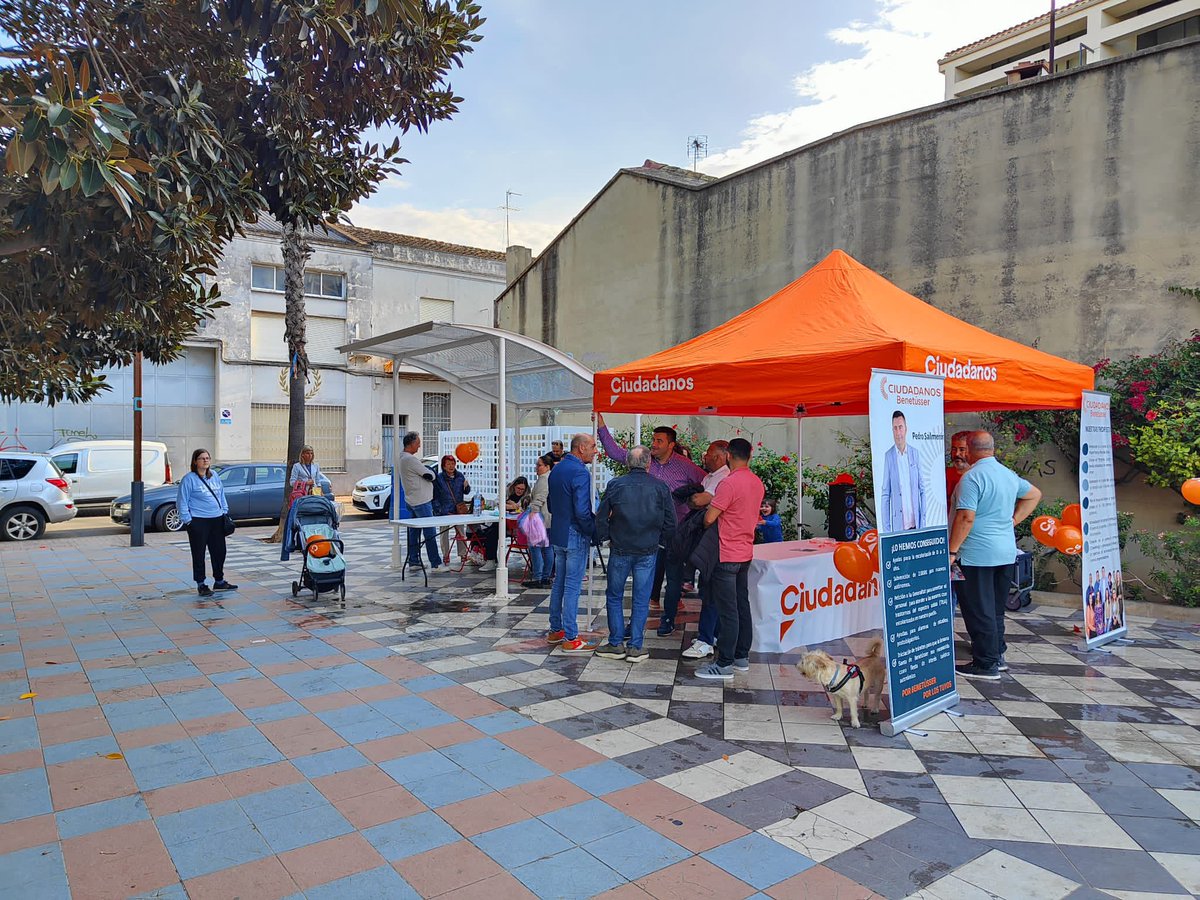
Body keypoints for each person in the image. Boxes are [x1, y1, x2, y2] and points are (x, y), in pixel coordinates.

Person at [597, 413, 707, 637]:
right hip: (644, 536)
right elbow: (614, 451)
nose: (654, 444)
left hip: (674, 532)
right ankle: (633, 629)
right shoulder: (644, 461)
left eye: (659, 441)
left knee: (673, 578)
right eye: (653, 440)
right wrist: (600, 423)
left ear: (671, 444)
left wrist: (693, 501)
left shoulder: (685, 466)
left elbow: (708, 482)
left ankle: (667, 620)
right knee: (644, 586)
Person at [949, 431, 1041, 680]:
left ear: (969, 449)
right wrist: (1013, 520)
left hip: (977, 554)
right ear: (992, 448)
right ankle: (997, 654)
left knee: (979, 610)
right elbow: (1034, 494)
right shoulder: (1008, 475)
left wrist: (952, 550)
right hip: (1006, 552)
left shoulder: (972, 478)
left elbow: (966, 517)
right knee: (995, 609)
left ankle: (986, 664)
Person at [594, 446, 675, 662]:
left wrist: (604, 537)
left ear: (628, 463)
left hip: (620, 547)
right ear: (648, 463)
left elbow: (601, 517)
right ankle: (636, 647)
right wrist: (662, 543)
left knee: (614, 596)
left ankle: (615, 643)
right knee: (641, 599)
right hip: (648, 549)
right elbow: (670, 522)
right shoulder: (661, 487)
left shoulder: (615, 485)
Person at [696, 438, 764, 680]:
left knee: (728, 610)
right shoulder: (757, 482)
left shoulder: (728, 483)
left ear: (727, 456)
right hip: (745, 551)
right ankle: (740, 656)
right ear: (750, 456)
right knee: (742, 605)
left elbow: (709, 518)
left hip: (726, 553)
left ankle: (724, 663)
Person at [546, 432, 598, 653]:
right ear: (581, 448)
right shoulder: (580, 472)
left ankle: (556, 630)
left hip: (558, 530)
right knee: (572, 585)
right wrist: (593, 531)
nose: (596, 451)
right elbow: (583, 510)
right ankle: (571, 636)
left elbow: (550, 503)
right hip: (574, 532)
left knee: (560, 582)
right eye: (593, 446)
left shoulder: (557, 468)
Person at [682, 440, 731, 661]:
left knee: (711, 590)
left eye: (709, 453)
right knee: (709, 588)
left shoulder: (724, 478)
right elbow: (698, 502)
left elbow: (703, 503)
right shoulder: (711, 476)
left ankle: (706, 639)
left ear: (721, 457)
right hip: (714, 542)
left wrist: (698, 501)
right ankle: (714, 634)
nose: (705, 456)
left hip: (717, 542)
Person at [178, 449, 238, 597]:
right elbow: (182, 501)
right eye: (202, 458)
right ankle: (201, 583)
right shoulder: (189, 479)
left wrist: (224, 510)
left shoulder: (215, 476)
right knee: (199, 553)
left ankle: (219, 581)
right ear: (195, 461)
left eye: (207, 458)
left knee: (219, 552)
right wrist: (188, 521)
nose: (205, 461)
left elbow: (221, 494)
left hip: (217, 520)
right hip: (198, 521)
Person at [398, 431, 445, 573]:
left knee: (414, 532)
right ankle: (436, 563)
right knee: (429, 531)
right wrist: (431, 473)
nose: (419, 447)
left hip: (411, 499)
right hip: (421, 500)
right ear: (411, 444)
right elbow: (428, 474)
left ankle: (414, 560)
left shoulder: (402, 458)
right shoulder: (410, 459)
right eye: (418, 444)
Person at [881, 410, 925, 533]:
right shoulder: (888, 456)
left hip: (916, 524)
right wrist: (887, 530)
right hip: (899, 527)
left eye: (900, 427)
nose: (898, 432)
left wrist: (923, 523)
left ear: (906, 429)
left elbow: (922, 489)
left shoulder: (914, 453)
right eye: (895, 428)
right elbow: (885, 495)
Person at [523, 454, 556, 588]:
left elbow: (540, 498)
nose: (536, 467)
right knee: (547, 548)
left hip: (541, 518)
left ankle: (538, 576)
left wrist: (533, 512)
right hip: (549, 518)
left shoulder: (544, 479)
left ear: (547, 467)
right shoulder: (550, 478)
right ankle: (546, 576)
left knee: (535, 548)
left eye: (539, 465)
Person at [433, 454, 472, 564]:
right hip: (444, 511)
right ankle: (446, 555)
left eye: (453, 464)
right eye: (448, 464)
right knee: (443, 534)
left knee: (461, 532)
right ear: (443, 466)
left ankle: (463, 554)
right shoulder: (439, 478)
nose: (451, 466)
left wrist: (467, 486)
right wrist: (439, 510)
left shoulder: (460, 476)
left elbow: (466, 491)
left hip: (458, 509)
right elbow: (434, 496)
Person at [946, 431, 971, 510]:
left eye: (962, 450)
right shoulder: (943, 474)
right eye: (954, 449)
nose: (957, 454)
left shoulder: (977, 476)